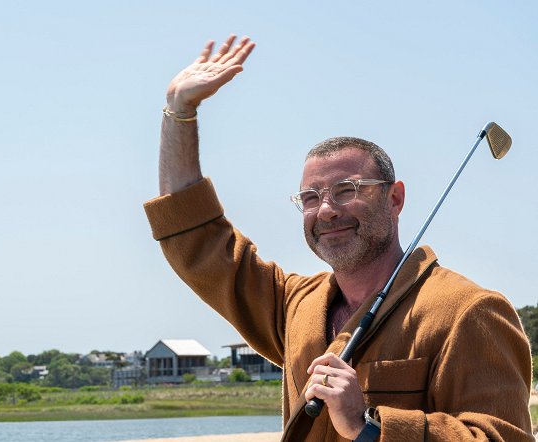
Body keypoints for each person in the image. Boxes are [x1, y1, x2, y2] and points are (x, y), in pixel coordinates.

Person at [143, 35, 534, 441]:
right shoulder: (295, 304)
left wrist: (367, 425)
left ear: (395, 198)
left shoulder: (468, 311)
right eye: (311, 197)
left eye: (347, 190)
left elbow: (502, 437)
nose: (326, 209)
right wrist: (179, 112)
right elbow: (196, 239)